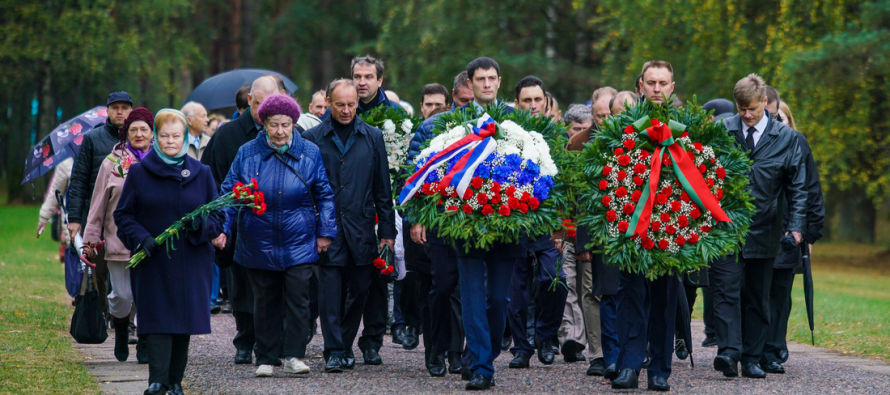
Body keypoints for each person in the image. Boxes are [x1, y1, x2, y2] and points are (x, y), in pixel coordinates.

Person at [411, 57, 518, 391]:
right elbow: (434, 169)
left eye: (491, 78)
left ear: (499, 81)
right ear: (469, 84)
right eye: (479, 79)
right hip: (465, 224)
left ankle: (483, 350)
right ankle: (482, 366)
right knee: (471, 296)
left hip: (505, 223)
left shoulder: (517, 121)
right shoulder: (453, 125)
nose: (486, 84)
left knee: (498, 300)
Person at [218, 94, 337, 377]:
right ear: (264, 124)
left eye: (285, 124)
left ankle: (294, 354)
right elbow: (228, 194)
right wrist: (221, 229)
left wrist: (325, 232)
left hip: (299, 238)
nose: (280, 131)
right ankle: (267, 357)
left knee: (299, 299)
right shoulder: (247, 152)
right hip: (258, 238)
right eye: (273, 125)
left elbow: (324, 194)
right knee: (265, 301)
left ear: (294, 123)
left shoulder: (309, 151)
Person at [114, 109, 224, 395]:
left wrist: (199, 223)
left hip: (191, 260)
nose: (170, 141)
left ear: (186, 137)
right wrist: (142, 238)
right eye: (164, 136)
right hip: (154, 260)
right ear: (155, 137)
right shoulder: (139, 172)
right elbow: (123, 215)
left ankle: (175, 381)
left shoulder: (202, 173)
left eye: (176, 136)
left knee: (182, 322)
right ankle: (157, 380)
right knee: (158, 320)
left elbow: (217, 217)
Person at [711, 73, 807, 380]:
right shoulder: (721, 131)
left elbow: (798, 188)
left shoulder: (786, 138)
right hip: (726, 229)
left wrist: (796, 227)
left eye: (752, 108)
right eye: (742, 109)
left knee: (757, 295)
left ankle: (752, 357)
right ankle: (728, 351)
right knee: (725, 292)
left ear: (764, 102)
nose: (747, 115)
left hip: (766, 230)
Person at [302, 79, 396, 373]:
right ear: (328, 103)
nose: (345, 110)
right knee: (329, 292)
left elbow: (383, 188)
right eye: (339, 104)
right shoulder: (312, 138)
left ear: (358, 103)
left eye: (351, 104)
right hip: (327, 228)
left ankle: (344, 342)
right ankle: (334, 350)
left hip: (361, 226)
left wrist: (388, 233)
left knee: (359, 290)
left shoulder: (372, 137)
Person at [610, 60, 680, 392]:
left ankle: (660, 370)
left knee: (665, 298)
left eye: (662, 83)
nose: (656, 88)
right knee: (630, 295)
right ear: (640, 85)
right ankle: (629, 365)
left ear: (672, 86)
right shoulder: (623, 125)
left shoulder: (685, 125)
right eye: (650, 82)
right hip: (629, 228)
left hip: (670, 228)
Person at [201, 76, 280, 365]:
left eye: (269, 105)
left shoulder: (283, 131)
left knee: (273, 286)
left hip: (276, 224)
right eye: (258, 104)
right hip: (238, 222)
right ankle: (245, 340)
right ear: (249, 100)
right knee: (242, 288)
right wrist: (218, 219)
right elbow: (210, 176)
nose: (263, 111)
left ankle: (271, 341)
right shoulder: (227, 135)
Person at [82, 108, 153, 363]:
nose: (138, 133)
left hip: (151, 243)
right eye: (133, 129)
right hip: (119, 242)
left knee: (147, 296)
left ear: (152, 132)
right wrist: (90, 241)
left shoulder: (160, 160)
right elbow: (98, 204)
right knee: (122, 295)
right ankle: (121, 328)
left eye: (144, 128)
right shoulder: (112, 163)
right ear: (125, 134)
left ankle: (144, 339)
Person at [506, 75, 567, 369]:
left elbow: (567, 185)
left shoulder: (559, 137)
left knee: (554, 280)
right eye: (526, 100)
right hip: (515, 223)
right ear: (517, 104)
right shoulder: (507, 137)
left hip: (547, 225)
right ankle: (521, 347)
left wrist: (561, 226)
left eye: (537, 100)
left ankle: (545, 337)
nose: (532, 105)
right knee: (515, 290)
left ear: (546, 102)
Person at [760, 99, 824, 374]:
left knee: (780, 293)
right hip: (761, 229)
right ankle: (756, 346)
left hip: (788, 231)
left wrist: (809, 231)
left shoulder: (798, 143)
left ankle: (773, 348)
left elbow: (811, 189)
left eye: (780, 118)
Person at [67, 91, 133, 317]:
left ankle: (126, 321)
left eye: (125, 107)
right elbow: (78, 179)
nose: (120, 111)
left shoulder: (139, 138)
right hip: (94, 216)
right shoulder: (92, 139)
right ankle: (103, 314)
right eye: (116, 107)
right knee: (97, 269)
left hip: (129, 217)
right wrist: (74, 219)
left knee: (129, 268)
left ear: (131, 111)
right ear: (108, 110)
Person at [37, 157, 74, 254]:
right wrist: (44, 217)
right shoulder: (66, 162)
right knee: (76, 264)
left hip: (99, 227)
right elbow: (55, 192)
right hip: (73, 225)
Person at [568, 87, 615, 151]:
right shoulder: (576, 142)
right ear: (592, 114)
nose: (606, 121)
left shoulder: (628, 137)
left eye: (610, 116)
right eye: (601, 116)